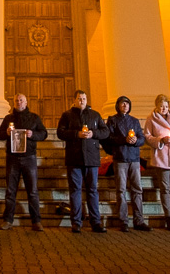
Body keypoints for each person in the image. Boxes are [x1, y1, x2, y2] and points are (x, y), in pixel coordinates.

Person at [57, 89, 109, 233]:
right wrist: (76, 134)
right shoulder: (67, 115)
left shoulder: (95, 115)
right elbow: (60, 132)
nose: (82, 101)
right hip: (74, 158)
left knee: (92, 190)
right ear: (74, 100)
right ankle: (76, 222)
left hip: (91, 159)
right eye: (79, 98)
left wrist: (94, 133)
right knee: (75, 191)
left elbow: (105, 132)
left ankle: (96, 222)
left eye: (84, 98)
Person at [0, 93, 47, 232]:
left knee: (33, 191)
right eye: (17, 101)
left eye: (21, 100)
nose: (19, 102)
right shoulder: (8, 118)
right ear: (14, 103)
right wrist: (6, 132)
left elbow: (44, 133)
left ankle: (36, 221)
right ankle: (8, 220)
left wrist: (33, 135)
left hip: (29, 157)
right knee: (11, 191)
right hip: (12, 158)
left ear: (26, 102)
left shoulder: (34, 117)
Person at [105, 95, 150, 231]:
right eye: (122, 103)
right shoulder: (113, 120)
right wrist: (124, 140)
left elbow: (142, 138)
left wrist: (135, 140)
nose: (125, 106)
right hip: (120, 159)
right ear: (118, 106)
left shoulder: (135, 121)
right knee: (121, 191)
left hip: (134, 159)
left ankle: (139, 220)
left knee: (137, 190)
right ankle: (123, 221)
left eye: (127, 104)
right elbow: (109, 138)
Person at [143, 94, 170, 232]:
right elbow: (147, 136)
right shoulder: (151, 119)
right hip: (162, 157)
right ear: (157, 106)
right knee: (165, 188)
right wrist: (160, 141)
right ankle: (169, 217)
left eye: (166, 106)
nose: (164, 109)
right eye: (161, 106)